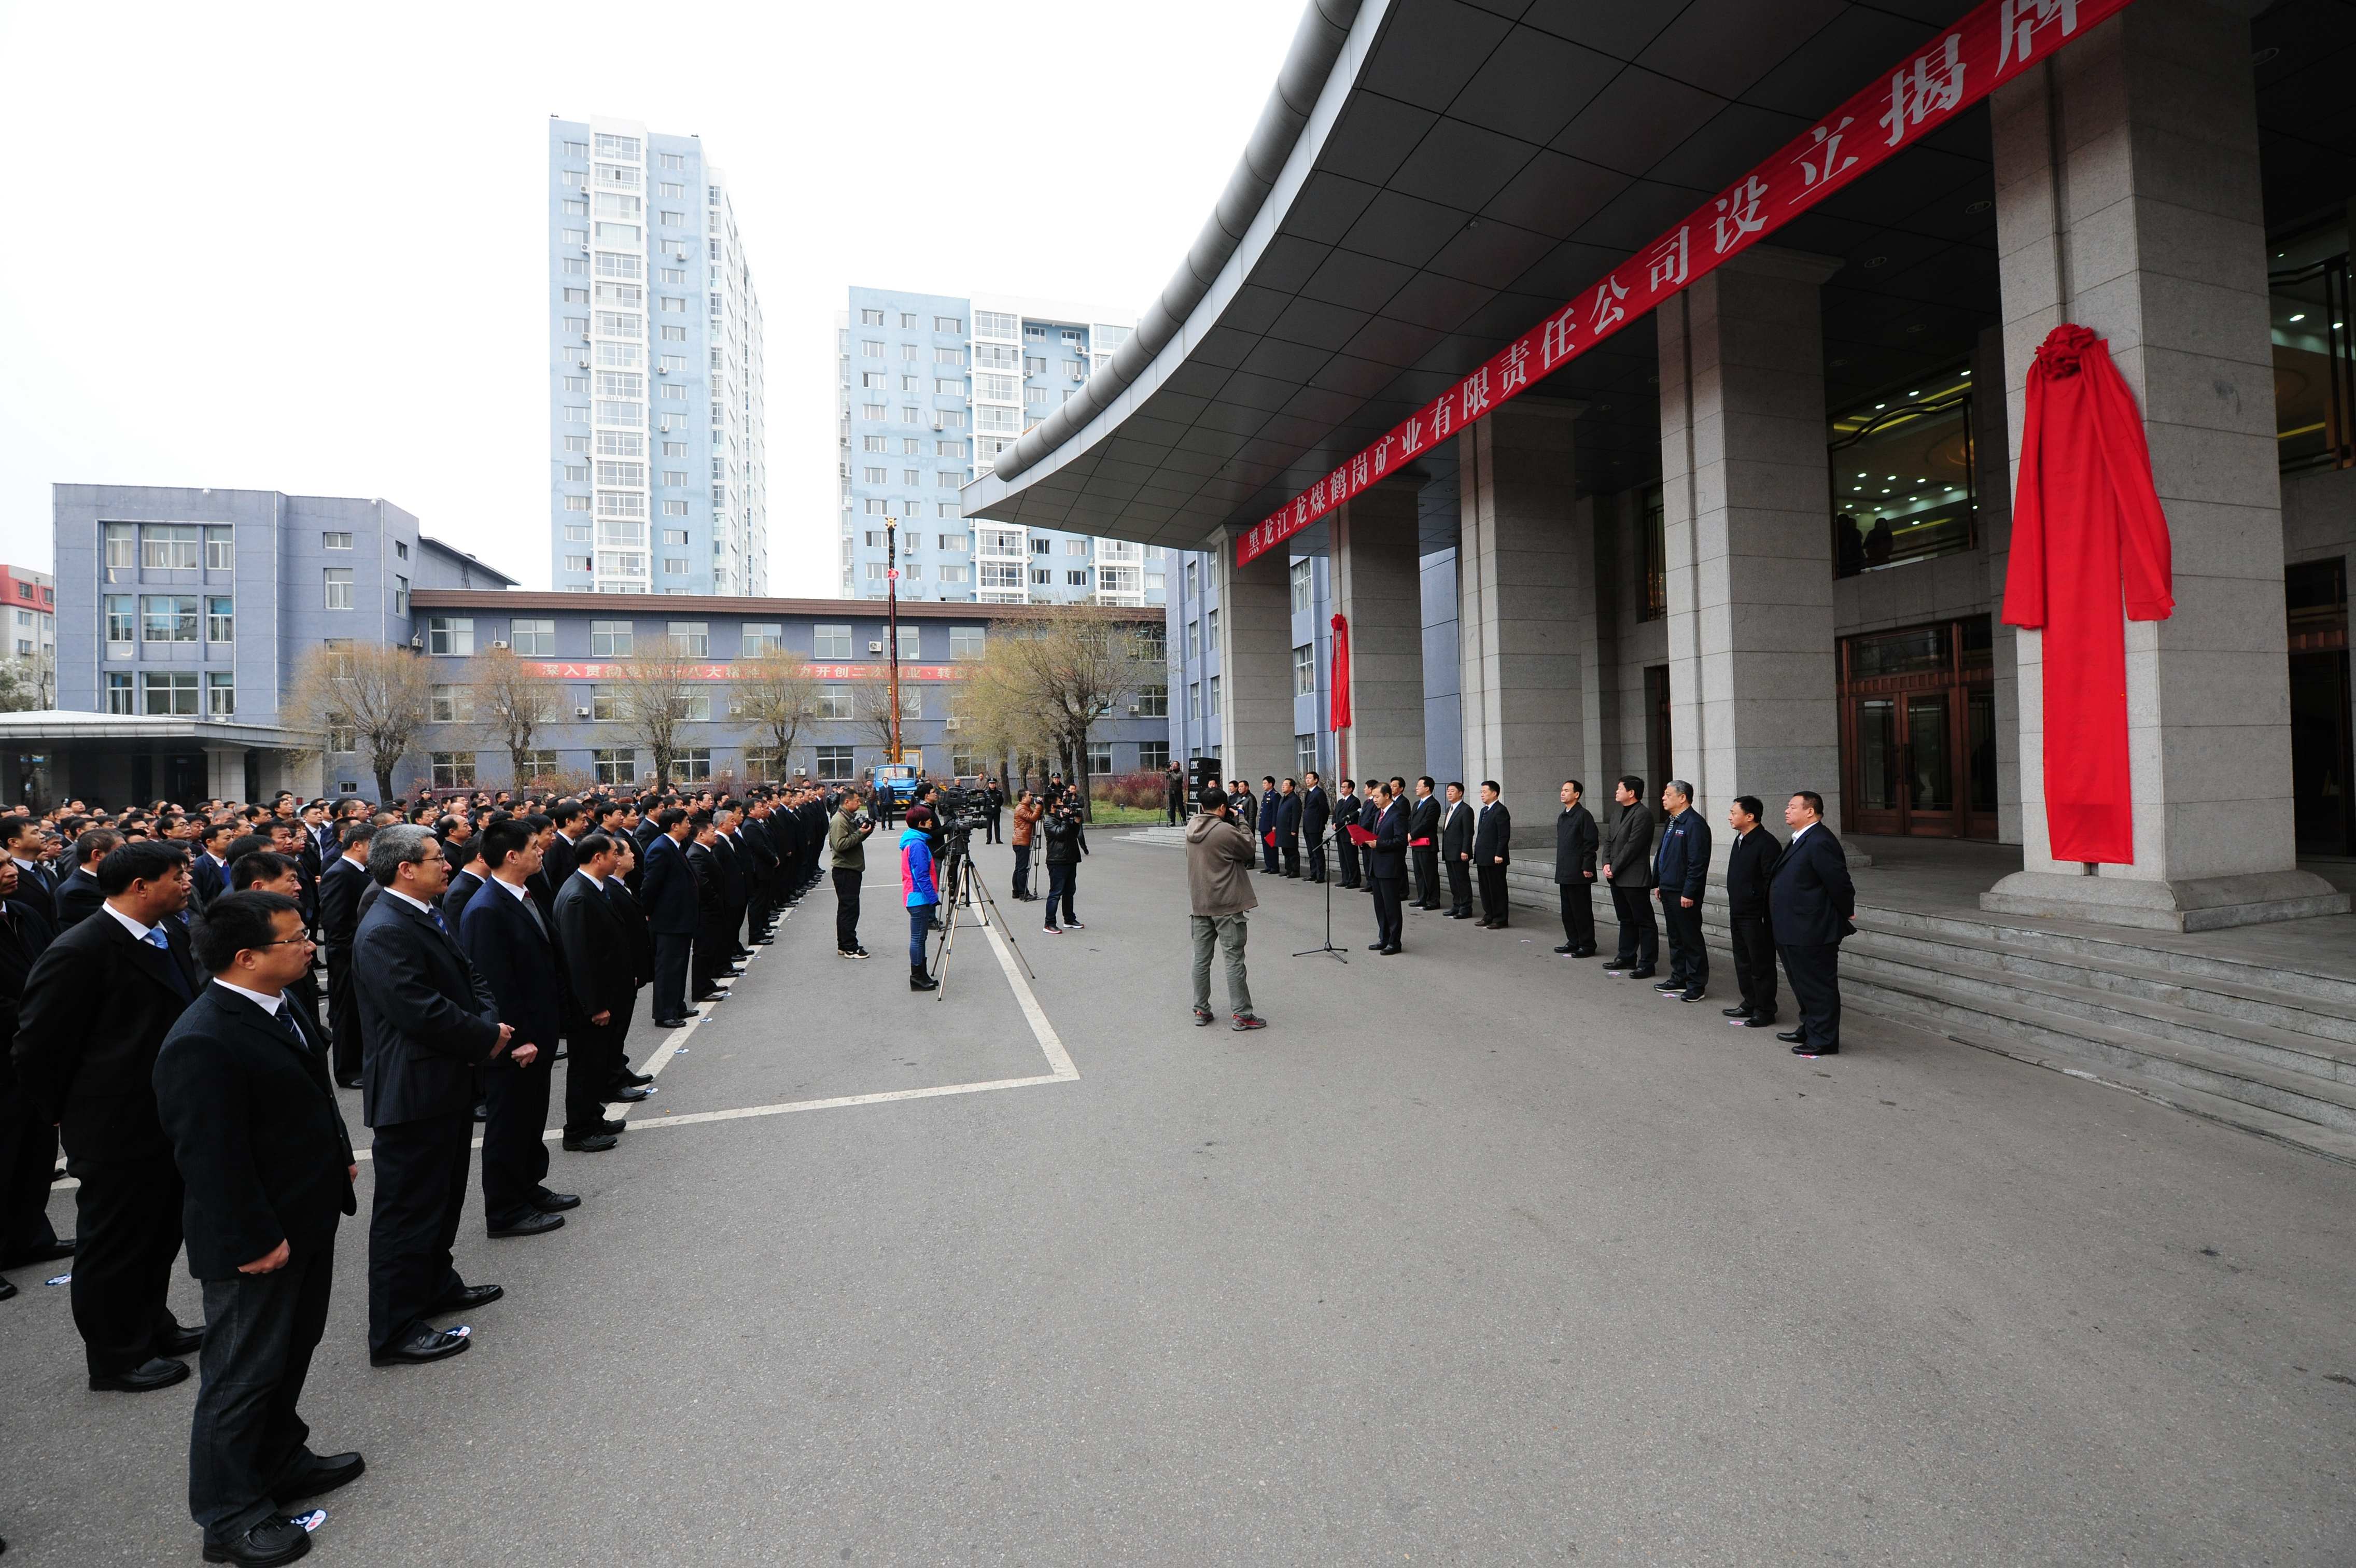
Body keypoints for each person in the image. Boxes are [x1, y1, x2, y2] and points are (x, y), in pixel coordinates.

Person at [153, 891, 363, 1567]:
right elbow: (209, 1157)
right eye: (295, 939)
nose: (309, 946)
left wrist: (338, 1155)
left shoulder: (282, 1001)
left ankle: (279, 1459)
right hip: (255, 1238)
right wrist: (252, 1239)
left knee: (290, 1350)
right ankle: (228, 1515)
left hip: (304, 1214)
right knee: (240, 1376)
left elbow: (310, 1094)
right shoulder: (203, 1038)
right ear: (246, 957)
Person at [12, 839, 205, 1392]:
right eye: (176, 875)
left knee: (159, 1232)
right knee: (115, 1243)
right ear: (141, 887)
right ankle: (117, 1355)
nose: (187, 883)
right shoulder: (81, 949)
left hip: (165, 1115)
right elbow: (37, 1047)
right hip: (112, 1125)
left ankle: (152, 1326)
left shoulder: (169, 933)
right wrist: (62, 1112)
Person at [352, 825, 515, 1367]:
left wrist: (488, 1024)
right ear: (405, 869)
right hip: (413, 1091)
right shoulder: (384, 928)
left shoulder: (423, 912)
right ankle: (395, 1328)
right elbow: (417, 1009)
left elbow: (471, 979)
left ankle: (435, 1285)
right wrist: (484, 1036)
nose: (447, 866)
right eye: (436, 859)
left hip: (445, 1080)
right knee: (407, 1213)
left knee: (442, 1200)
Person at [459, 819, 588, 1223]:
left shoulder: (521, 896)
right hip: (516, 1042)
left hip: (539, 1032)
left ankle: (529, 1187)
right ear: (512, 856)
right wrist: (517, 1040)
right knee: (509, 1125)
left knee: (531, 1118)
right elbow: (492, 984)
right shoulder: (486, 908)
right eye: (534, 846)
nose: (542, 850)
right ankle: (506, 1209)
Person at [0, 858, 70, 1305]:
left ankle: (28, 1238)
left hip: (33, 1054)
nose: (11, 871)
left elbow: (51, 969)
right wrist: (40, 1013)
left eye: (9, 863)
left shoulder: (22, 914)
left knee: (33, 1151)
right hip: (10, 1042)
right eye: (1, 865)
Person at [553, 831, 639, 1155]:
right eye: (614, 853)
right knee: (585, 1067)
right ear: (598, 858)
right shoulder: (578, 896)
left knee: (597, 1062)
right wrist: (595, 1005)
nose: (619, 858)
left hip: (608, 992)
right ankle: (578, 1130)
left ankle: (593, 1118)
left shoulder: (593, 888)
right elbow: (579, 959)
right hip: (591, 1002)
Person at [1770, 792, 1855, 1057]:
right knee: (1801, 983)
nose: (1787, 810)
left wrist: (1847, 910)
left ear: (1810, 811)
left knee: (1818, 985)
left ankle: (1824, 1039)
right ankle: (1809, 1027)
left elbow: (1839, 881)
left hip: (1813, 928)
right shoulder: (1801, 838)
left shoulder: (1820, 840)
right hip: (1793, 927)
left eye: (1793, 807)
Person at [1185, 788, 1265, 1031]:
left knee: (1201, 960)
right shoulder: (1224, 831)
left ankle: (1201, 1009)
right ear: (1222, 808)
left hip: (1200, 903)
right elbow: (1249, 848)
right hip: (1227, 904)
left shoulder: (1190, 828)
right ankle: (1242, 1014)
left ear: (1201, 807)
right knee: (1234, 960)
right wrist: (1241, 819)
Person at [317, 822, 374, 1090]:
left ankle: (360, 1063)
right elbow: (335, 923)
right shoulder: (339, 873)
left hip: (357, 953)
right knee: (346, 1014)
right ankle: (347, 1071)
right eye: (373, 845)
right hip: (346, 957)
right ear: (357, 845)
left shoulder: (362, 871)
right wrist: (352, 954)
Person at [1722, 795, 1782, 1030]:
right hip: (1738, 910)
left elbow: (1771, 882)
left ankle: (1765, 1010)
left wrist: (1757, 903)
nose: (1730, 817)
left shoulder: (1767, 843)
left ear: (1750, 817)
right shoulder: (1740, 839)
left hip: (1756, 915)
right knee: (1743, 960)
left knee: (1761, 963)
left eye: (1734, 813)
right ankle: (1750, 1002)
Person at [638, 808, 698, 1028]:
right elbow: (650, 886)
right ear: (674, 826)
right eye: (686, 822)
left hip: (680, 918)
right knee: (668, 967)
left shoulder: (675, 845)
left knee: (679, 965)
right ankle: (664, 1013)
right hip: (668, 920)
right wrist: (648, 912)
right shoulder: (661, 849)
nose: (690, 825)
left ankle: (677, 1005)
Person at [1652, 779, 1711, 1002]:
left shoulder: (1694, 824)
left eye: (1668, 795)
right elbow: (1665, 855)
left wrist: (1689, 892)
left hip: (1683, 892)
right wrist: (1660, 883)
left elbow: (1697, 863)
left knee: (1690, 938)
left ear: (1683, 798)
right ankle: (1679, 977)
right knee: (1675, 937)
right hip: (1669, 887)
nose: (1663, 798)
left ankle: (1696, 984)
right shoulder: (1672, 822)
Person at [1600, 776, 1658, 979]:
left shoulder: (1643, 815)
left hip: (1634, 876)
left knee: (1644, 921)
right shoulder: (1617, 813)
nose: (1616, 791)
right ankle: (1626, 956)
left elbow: (1633, 846)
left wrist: (1614, 867)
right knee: (1626, 919)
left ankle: (1647, 963)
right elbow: (1608, 840)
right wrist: (1606, 863)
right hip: (1616, 876)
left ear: (1631, 793)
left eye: (1620, 788)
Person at [1552, 780, 1599, 957]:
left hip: (1579, 871)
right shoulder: (1563, 816)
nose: (1562, 793)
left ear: (1577, 794)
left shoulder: (1584, 815)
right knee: (1568, 910)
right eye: (1562, 790)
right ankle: (1573, 941)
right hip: (1565, 870)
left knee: (1581, 910)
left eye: (1567, 790)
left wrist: (1587, 865)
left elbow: (1591, 842)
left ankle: (1587, 944)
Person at [828, 789, 876, 958]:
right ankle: (850, 947)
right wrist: (859, 833)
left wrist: (865, 832)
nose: (859, 803)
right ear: (847, 802)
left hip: (850, 868)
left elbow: (853, 840)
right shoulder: (839, 820)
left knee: (846, 909)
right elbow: (840, 845)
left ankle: (844, 944)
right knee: (849, 910)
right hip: (845, 870)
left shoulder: (846, 818)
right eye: (856, 800)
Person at [900, 805, 941, 992]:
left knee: (921, 937)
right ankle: (917, 977)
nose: (931, 822)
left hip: (916, 896)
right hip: (918, 897)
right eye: (928, 819)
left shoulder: (915, 841)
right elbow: (921, 875)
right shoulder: (917, 844)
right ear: (920, 823)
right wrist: (933, 898)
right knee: (917, 938)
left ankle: (922, 974)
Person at [1365, 781, 1407, 955]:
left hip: (1390, 867)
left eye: (1377, 797)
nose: (1374, 800)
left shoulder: (1397, 814)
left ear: (1387, 796)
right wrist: (1362, 840)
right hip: (1377, 866)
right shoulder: (1379, 813)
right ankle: (1384, 937)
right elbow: (1376, 836)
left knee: (1392, 907)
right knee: (1380, 906)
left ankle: (1395, 942)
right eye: (1373, 797)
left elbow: (1401, 841)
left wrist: (1380, 844)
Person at [1040, 796, 1086, 934]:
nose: (1063, 804)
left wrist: (1076, 822)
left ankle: (1069, 919)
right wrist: (1066, 819)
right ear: (1052, 805)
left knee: (1070, 891)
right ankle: (1049, 923)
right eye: (1060, 802)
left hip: (1070, 859)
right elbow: (1060, 834)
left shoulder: (1061, 819)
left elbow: (1072, 834)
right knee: (1056, 893)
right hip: (1057, 861)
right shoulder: (1049, 821)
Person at [55, 827, 117, 929]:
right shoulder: (76, 891)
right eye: (120, 851)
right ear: (97, 855)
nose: (126, 856)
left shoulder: (110, 878)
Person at [1473, 780, 1513, 928]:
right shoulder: (1484, 811)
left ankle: (1500, 918)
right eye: (1481, 792)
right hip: (1483, 856)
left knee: (1497, 889)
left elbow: (1504, 835)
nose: (1482, 795)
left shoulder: (1501, 810)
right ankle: (1489, 915)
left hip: (1495, 858)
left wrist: (1499, 854)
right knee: (1485, 889)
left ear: (1494, 793)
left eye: (1485, 792)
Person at [1438, 782, 1474, 918]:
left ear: (1460, 793)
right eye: (1448, 791)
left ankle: (1466, 908)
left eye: (1452, 791)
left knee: (1462, 880)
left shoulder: (1466, 810)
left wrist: (1465, 850)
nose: (1449, 793)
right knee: (1453, 881)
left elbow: (1468, 833)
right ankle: (1456, 905)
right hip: (1449, 851)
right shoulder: (1449, 809)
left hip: (1460, 852)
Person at [1407, 777, 1441, 911]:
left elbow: (1427, 823)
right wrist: (1408, 833)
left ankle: (1433, 900)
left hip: (1427, 845)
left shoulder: (1433, 804)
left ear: (1427, 788)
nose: (1416, 788)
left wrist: (1412, 834)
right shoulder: (1417, 804)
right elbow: (1411, 820)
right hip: (1416, 844)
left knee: (1429, 873)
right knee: (1419, 873)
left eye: (1419, 785)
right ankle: (1422, 898)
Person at [1009, 790, 1041, 901]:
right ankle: (1024, 893)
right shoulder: (1021, 809)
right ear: (1023, 798)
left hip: (1020, 841)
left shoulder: (1025, 807)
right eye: (1029, 795)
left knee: (1019, 867)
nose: (1032, 797)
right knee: (1023, 869)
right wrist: (1038, 806)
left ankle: (1016, 891)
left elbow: (1035, 816)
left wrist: (1038, 808)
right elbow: (1033, 818)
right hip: (1022, 842)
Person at [1332, 778, 1363, 890]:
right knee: (1343, 858)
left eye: (1345, 787)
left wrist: (1338, 824)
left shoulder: (1354, 801)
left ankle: (1354, 880)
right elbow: (1335, 815)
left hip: (1348, 833)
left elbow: (1351, 817)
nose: (1342, 789)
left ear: (1351, 789)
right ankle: (1345, 879)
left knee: (1351, 858)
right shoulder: (1340, 801)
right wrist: (1334, 823)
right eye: (1342, 787)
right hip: (1340, 833)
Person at [1300, 771, 1330, 884]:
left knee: (1317, 852)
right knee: (1311, 852)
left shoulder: (1319, 793)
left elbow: (1325, 810)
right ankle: (1313, 873)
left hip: (1316, 827)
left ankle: (1320, 875)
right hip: (1307, 826)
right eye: (1306, 778)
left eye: (1309, 778)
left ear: (1316, 780)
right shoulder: (1309, 792)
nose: (1307, 780)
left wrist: (1322, 824)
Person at [1274, 778, 1303, 878]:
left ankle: (1295, 871)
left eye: (1286, 784)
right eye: (1283, 784)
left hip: (1290, 829)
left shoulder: (1295, 799)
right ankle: (1288, 869)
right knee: (1285, 850)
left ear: (1291, 787)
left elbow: (1296, 815)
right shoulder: (1283, 798)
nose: (1283, 786)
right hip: (1282, 829)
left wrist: (1294, 829)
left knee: (1292, 851)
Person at [1257, 778, 1281, 874]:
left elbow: (1275, 812)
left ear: (1271, 784)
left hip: (1270, 826)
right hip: (1264, 825)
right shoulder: (1266, 795)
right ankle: (1268, 865)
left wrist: (1274, 825)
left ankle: (1274, 867)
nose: (1263, 785)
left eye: (1265, 783)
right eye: (1263, 783)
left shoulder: (1275, 795)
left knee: (1272, 847)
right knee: (1265, 848)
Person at [1164, 764, 1187, 828]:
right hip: (1171, 791)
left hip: (1178, 792)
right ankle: (1172, 821)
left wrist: (1171, 772)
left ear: (1178, 766)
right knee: (1172, 807)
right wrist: (1167, 772)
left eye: (1175, 764)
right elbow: (1167, 778)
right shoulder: (1171, 773)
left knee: (1180, 806)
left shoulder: (1180, 773)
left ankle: (1184, 820)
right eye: (1173, 764)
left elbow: (1176, 778)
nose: (1173, 766)